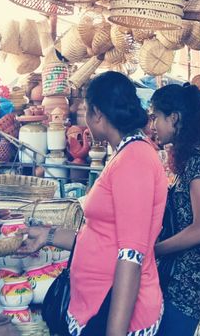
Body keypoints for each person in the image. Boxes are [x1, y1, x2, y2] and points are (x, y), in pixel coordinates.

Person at [18, 72, 167, 335]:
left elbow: (131, 256)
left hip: (114, 312)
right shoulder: (126, 153)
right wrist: (49, 235)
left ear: (97, 113)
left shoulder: (135, 160)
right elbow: (102, 237)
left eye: (86, 110)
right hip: (99, 305)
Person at [150, 84, 200, 336]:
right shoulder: (193, 156)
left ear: (174, 117)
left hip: (190, 278)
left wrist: (154, 251)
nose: (153, 124)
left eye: (156, 116)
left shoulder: (195, 160)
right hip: (185, 272)